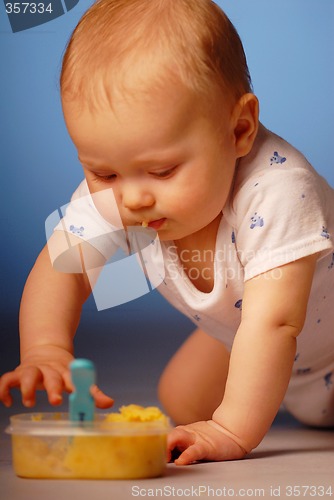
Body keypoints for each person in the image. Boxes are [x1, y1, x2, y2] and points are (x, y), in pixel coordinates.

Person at [0, 0, 333, 465]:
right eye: (104, 173)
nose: (132, 198)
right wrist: (46, 348)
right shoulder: (124, 191)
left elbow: (275, 322)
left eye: (161, 170)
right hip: (248, 335)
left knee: (233, 403)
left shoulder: (278, 190)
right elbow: (63, 269)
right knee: (181, 398)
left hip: (302, 332)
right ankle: (262, 393)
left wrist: (231, 430)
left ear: (239, 129)